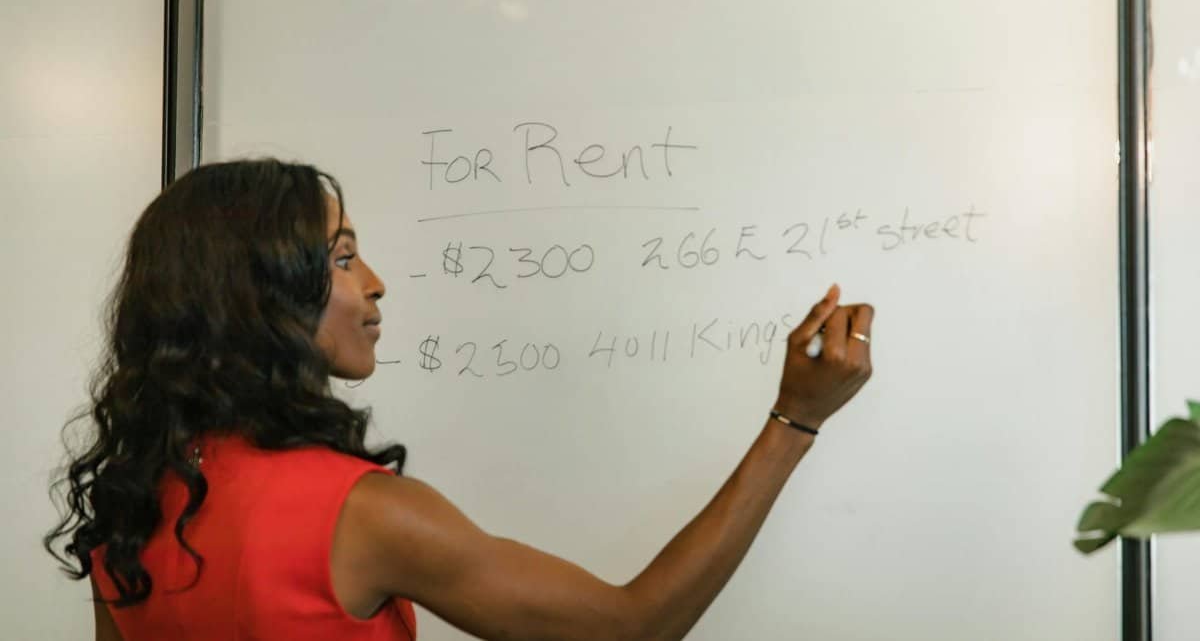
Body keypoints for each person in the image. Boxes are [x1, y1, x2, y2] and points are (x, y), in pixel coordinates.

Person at [45, 159, 875, 641]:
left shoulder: (132, 508)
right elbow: (634, 624)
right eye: (342, 258)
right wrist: (793, 420)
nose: (374, 284)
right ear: (262, 294)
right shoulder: (364, 515)